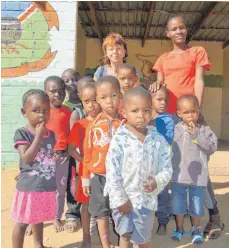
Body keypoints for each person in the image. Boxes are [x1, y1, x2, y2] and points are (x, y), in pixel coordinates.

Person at [150, 15, 224, 239]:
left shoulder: (197, 52)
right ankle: (174, 212)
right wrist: (155, 86)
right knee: (169, 166)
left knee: (197, 166)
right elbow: (160, 85)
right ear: (168, 33)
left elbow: (199, 80)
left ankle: (213, 214)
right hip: (168, 120)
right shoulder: (163, 58)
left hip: (189, 116)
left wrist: (196, 112)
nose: (179, 31)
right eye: (174, 29)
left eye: (182, 27)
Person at [104, 87, 172, 248]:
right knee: (125, 236)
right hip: (123, 202)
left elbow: (167, 168)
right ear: (124, 112)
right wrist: (120, 200)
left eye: (146, 110)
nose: (141, 115)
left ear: (152, 111)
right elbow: (112, 172)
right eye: (135, 110)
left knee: (143, 239)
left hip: (146, 202)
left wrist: (157, 181)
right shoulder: (119, 139)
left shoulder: (158, 140)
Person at [82, 76, 124, 248]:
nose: (109, 101)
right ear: (97, 99)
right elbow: (87, 153)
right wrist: (86, 178)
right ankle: (106, 244)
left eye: (113, 96)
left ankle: (124, 242)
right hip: (99, 177)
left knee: (122, 210)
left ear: (120, 96)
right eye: (104, 97)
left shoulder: (126, 124)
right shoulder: (93, 126)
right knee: (101, 213)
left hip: (121, 178)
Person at [11, 89, 57, 248]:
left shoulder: (51, 134)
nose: (41, 115)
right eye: (36, 110)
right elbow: (26, 158)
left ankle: (38, 245)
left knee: (38, 217)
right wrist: (38, 136)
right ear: (24, 112)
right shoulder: (22, 134)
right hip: (29, 187)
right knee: (23, 221)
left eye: (46, 110)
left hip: (45, 185)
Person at [171, 95, 217, 245]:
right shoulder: (175, 129)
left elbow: (211, 148)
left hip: (197, 178)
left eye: (193, 111)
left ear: (198, 111)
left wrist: (196, 135)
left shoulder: (204, 130)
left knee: (196, 206)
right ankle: (179, 229)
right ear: (178, 113)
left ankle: (195, 229)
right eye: (186, 112)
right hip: (178, 177)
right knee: (178, 206)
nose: (190, 115)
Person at [68, 79, 101, 248]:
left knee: (108, 203)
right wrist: (84, 162)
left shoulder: (108, 122)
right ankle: (86, 237)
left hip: (105, 173)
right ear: (81, 102)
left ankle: (107, 236)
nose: (91, 105)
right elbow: (71, 149)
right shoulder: (79, 125)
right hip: (86, 174)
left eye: (95, 99)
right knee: (86, 204)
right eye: (87, 101)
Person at [44, 76, 74, 232]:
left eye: (61, 91)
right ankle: (34, 219)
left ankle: (56, 217)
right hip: (44, 157)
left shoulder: (68, 112)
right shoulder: (42, 112)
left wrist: (69, 150)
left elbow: (71, 134)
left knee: (60, 189)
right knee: (41, 188)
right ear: (45, 92)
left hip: (62, 157)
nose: (57, 95)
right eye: (53, 91)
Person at [151, 85, 175, 235]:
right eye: (159, 99)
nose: (163, 103)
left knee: (162, 193)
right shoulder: (143, 116)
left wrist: (153, 126)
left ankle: (163, 221)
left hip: (161, 164)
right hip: (146, 164)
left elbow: (168, 138)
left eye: (165, 101)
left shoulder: (168, 119)